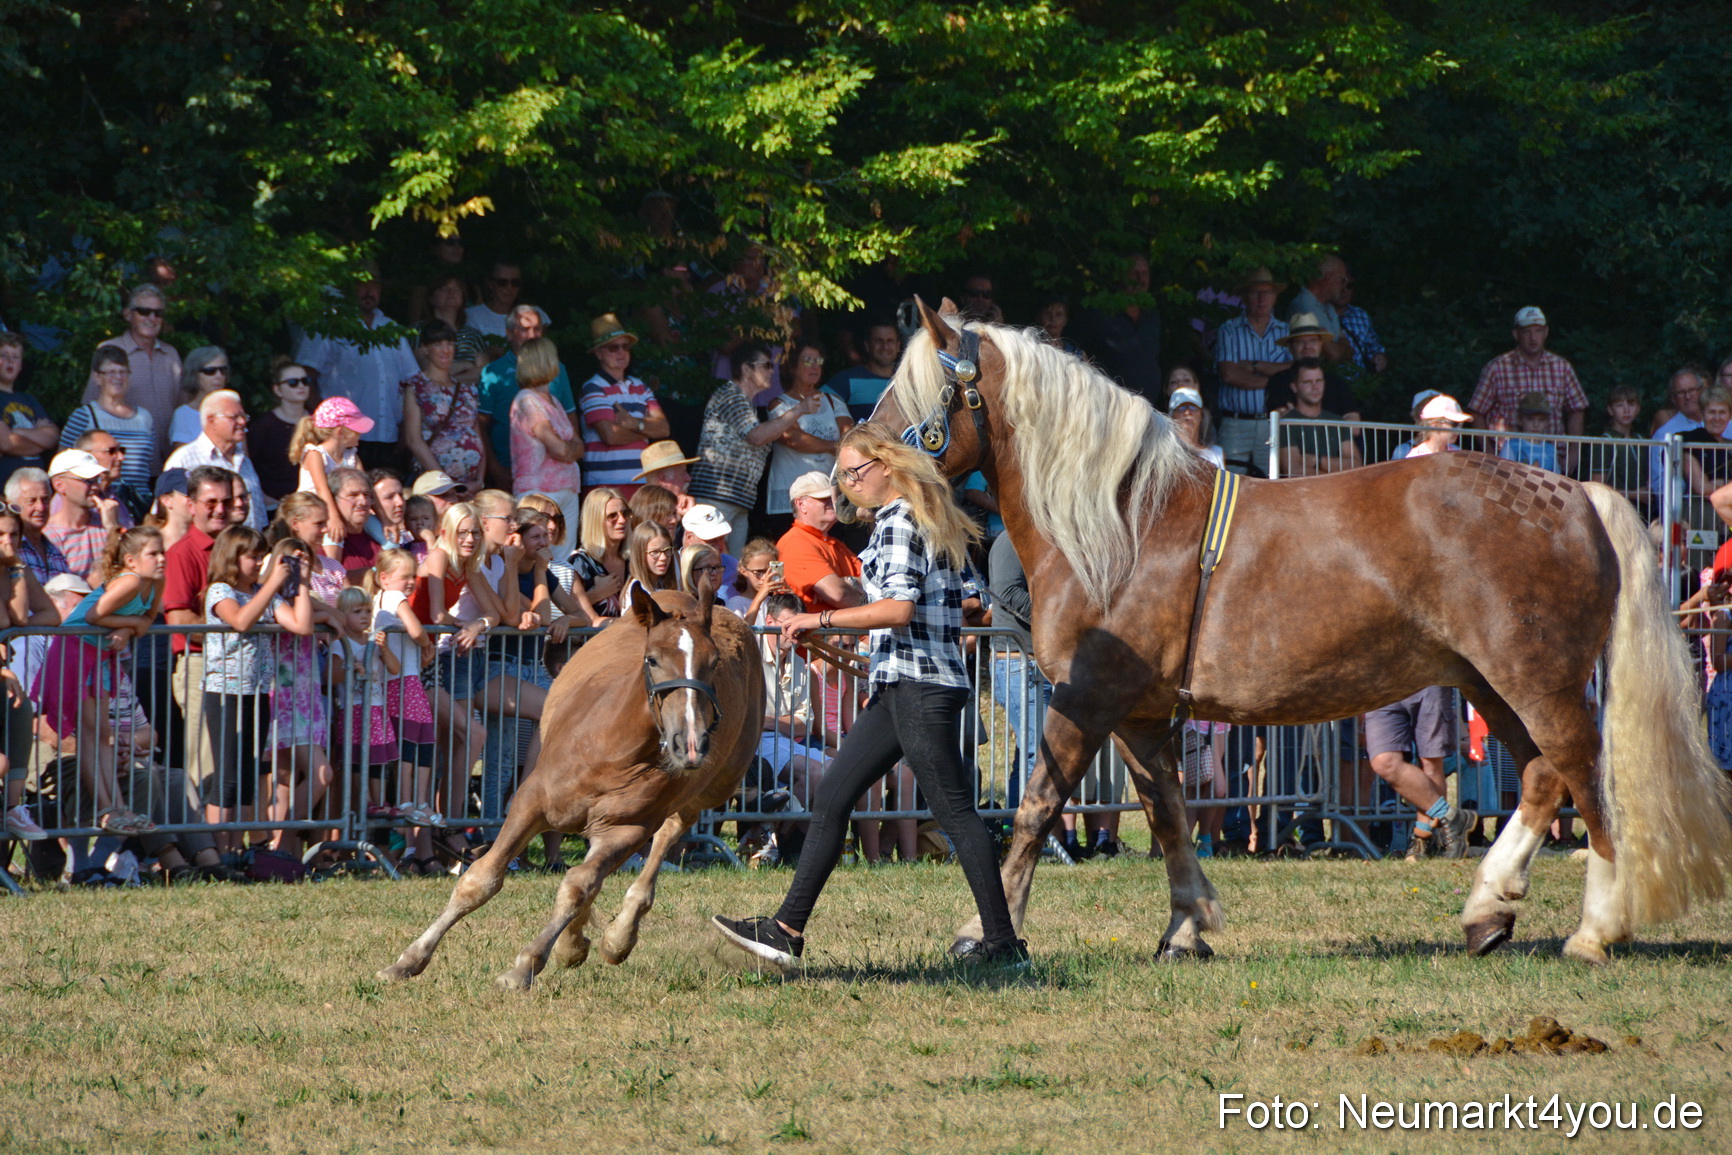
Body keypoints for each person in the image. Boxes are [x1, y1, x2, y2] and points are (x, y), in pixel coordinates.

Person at [712, 422, 1026, 967]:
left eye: (855, 472)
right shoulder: (914, 519)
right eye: (843, 476)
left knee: (954, 813)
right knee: (833, 796)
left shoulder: (903, 520)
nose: (849, 485)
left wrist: (824, 617)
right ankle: (786, 930)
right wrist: (849, 615)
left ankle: (1002, 944)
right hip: (901, 682)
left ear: (888, 466)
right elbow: (912, 600)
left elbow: (899, 609)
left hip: (919, 683)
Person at [32, 526, 165, 837]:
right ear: (131, 561)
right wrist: (130, 623)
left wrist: (129, 629)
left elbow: (147, 622)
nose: (161, 559)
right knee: (92, 734)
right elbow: (94, 615)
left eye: (163, 553)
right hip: (77, 649)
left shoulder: (156, 581)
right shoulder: (130, 580)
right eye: (153, 554)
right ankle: (108, 809)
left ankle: (118, 807)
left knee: (103, 732)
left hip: (101, 653)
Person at [203, 526, 311, 860]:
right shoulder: (221, 590)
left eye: (261, 555)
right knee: (227, 775)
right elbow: (240, 621)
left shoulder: (265, 592)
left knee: (248, 773)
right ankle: (218, 852)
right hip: (224, 692)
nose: (259, 561)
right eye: (252, 556)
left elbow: (301, 625)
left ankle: (238, 849)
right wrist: (274, 584)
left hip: (257, 693)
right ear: (232, 557)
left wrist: (302, 582)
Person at [689, 342, 817, 556]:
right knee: (708, 561)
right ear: (746, 369)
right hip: (716, 497)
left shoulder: (744, 403)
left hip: (737, 500)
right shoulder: (730, 395)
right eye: (766, 365)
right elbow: (757, 436)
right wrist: (799, 410)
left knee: (730, 567)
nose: (771, 371)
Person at [293, 269, 420, 470]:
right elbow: (304, 376)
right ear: (348, 289)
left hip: (389, 435)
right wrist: (325, 424)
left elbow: (411, 382)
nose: (369, 291)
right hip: (345, 436)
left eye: (374, 285)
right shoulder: (329, 326)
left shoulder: (392, 329)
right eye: (362, 285)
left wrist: (407, 428)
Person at [369, 547, 443, 874]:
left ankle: (416, 806)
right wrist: (427, 642)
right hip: (402, 686)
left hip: (405, 682)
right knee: (414, 747)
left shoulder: (385, 603)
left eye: (414, 575)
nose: (412, 582)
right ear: (384, 579)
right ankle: (412, 801)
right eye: (405, 576)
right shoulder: (391, 598)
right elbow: (416, 631)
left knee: (419, 745)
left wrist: (422, 650)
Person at [1469, 306, 1588, 472]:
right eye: (1527, 332)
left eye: (1538, 331)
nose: (1533, 338)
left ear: (1546, 332)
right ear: (1516, 334)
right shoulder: (1497, 368)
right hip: (1507, 462)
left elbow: (1577, 409)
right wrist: (1488, 454)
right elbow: (1477, 411)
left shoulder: (1562, 367)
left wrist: (1574, 451)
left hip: (1552, 460)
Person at [1363, 688, 1478, 858]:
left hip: (1426, 680)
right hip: (1382, 684)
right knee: (1384, 762)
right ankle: (1452, 817)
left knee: (1431, 764)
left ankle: (1423, 839)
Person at [476, 305, 573, 488]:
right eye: (524, 329)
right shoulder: (493, 372)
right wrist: (495, 468)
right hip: (508, 470)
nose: (532, 335)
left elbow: (571, 417)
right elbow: (481, 424)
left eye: (537, 329)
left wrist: (574, 454)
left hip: (557, 474)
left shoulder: (558, 369)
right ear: (509, 333)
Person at [84, 283, 182, 458]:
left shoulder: (171, 355)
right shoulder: (110, 350)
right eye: (144, 311)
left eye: (158, 313)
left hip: (168, 458)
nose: (151, 318)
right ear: (128, 314)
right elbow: (90, 406)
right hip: (125, 460)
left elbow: (181, 406)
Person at [765, 343, 853, 537]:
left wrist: (839, 446)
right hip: (790, 498)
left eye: (818, 361)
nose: (815, 366)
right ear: (792, 366)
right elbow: (795, 439)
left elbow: (850, 436)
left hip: (829, 496)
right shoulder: (780, 404)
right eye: (808, 360)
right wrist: (835, 447)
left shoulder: (833, 401)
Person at [579, 313, 668, 496]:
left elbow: (664, 429)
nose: (621, 352)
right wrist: (646, 430)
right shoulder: (593, 388)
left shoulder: (640, 386)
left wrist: (635, 424)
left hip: (642, 483)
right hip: (605, 487)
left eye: (626, 346)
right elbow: (611, 436)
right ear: (599, 353)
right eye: (613, 347)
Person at [1213, 267, 1290, 469]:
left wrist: (1255, 367)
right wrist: (1275, 381)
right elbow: (1229, 374)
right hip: (1235, 423)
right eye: (1255, 292)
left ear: (1275, 297)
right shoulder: (1229, 330)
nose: (1261, 298)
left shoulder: (1286, 331)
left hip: (1271, 424)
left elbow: (1293, 372)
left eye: (1267, 292)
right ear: (1245, 297)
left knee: (1271, 485)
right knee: (1230, 483)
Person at [508, 336, 584, 535]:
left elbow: (578, 445)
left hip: (565, 489)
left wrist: (569, 450)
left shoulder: (554, 401)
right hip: (539, 492)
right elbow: (559, 448)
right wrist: (570, 450)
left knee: (563, 559)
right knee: (541, 554)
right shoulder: (526, 400)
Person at [162, 390, 267, 530]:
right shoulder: (184, 460)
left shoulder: (244, 461)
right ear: (211, 420)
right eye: (234, 417)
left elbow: (258, 516)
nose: (242, 422)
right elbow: (169, 518)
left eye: (243, 416)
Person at [404, 319, 485, 491]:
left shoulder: (467, 389)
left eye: (450, 344)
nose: (446, 350)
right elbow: (413, 440)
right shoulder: (416, 387)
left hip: (470, 485)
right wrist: (446, 483)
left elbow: (477, 435)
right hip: (436, 485)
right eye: (438, 344)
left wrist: (480, 480)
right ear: (425, 349)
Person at [62, 347, 158, 486]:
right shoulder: (84, 416)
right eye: (111, 372)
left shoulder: (145, 418)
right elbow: (64, 463)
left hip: (139, 502)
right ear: (97, 377)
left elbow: (147, 466)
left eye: (122, 372)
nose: (118, 377)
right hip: (100, 498)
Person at [1076, 252, 1162, 403]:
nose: (1140, 279)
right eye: (1135, 274)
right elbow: (1080, 354)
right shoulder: (1101, 313)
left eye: (1144, 274)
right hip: (1112, 406)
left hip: (1149, 407)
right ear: (1122, 277)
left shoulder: (1152, 315)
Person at [777, 471, 864, 613]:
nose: (833, 501)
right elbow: (839, 595)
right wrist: (875, 608)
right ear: (801, 504)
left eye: (834, 496)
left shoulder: (835, 544)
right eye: (824, 497)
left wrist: (847, 582)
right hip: (814, 634)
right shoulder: (795, 543)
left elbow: (874, 583)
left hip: (842, 632)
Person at [1261, 314, 1362, 421]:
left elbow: (1354, 425)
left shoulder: (1338, 383)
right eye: (1300, 342)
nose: (1307, 347)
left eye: (1312, 341)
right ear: (1290, 348)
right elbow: (1278, 420)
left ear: (1320, 345)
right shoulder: (1278, 382)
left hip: (1334, 438)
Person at [292, 396, 369, 535]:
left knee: (385, 538)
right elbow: (322, 489)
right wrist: (334, 518)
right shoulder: (315, 454)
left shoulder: (351, 456)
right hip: (313, 511)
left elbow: (366, 486)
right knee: (334, 538)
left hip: (342, 509)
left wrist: (383, 517)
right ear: (340, 432)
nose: (361, 434)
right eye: (356, 430)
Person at [1274, 360, 1362, 476]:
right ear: (1294, 387)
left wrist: (1317, 461)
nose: (1315, 387)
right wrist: (1334, 472)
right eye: (1307, 382)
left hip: (1336, 489)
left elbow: (1356, 464)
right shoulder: (1287, 423)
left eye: (1319, 381)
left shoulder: (1336, 421)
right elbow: (1293, 470)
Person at [44, 449, 120, 580]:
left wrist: (112, 528)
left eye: (96, 479)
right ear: (60, 485)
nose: (95, 486)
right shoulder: (50, 536)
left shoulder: (105, 523)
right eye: (87, 480)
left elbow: (130, 566)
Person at [248, 360, 316, 503]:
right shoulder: (263, 427)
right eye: (293, 382)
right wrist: (266, 499)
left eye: (305, 381)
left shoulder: (318, 421)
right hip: (273, 503)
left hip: (312, 501)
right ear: (278, 390)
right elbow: (250, 467)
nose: (301, 386)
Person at [0, 331, 58, 487]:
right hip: (6, 489)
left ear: (21, 365)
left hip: (38, 489)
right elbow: (6, 443)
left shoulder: (29, 399)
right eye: (4, 355)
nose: (10, 361)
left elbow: (52, 436)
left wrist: (17, 432)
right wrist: (39, 445)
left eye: (15, 357)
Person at [567, 487, 629, 623]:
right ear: (595, 520)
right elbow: (566, 612)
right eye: (613, 516)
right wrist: (597, 594)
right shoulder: (578, 563)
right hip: (593, 642)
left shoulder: (634, 560)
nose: (622, 520)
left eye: (625, 513)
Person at [415, 272, 488, 384]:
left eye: (456, 290)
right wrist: (467, 365)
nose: (451, 293)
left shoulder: (473, 335)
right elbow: (426, 367)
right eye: (444, 289)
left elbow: (484, 373)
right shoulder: (418, 330)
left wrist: (446, 381)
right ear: (431, 298)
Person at [826, 321, 904, 422]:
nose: (885, 347)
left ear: (898, 346)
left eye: (890, 341)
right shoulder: (848, 380)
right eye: (878, 341)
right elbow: (815, 403)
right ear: (867, 345)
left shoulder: (907, 382)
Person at [1285, 254, 1354, 360]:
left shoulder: (1329, 307)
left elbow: (1350, 355)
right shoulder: (1304, 306)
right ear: (1329, 277)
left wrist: (1340, 346)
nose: (1344, 286)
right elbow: (1333, 355)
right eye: (1342, 280)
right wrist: (1343, 342)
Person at [167, 347, 234, 452]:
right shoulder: (183, 415)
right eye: (210, 371)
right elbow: (182, 462)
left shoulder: (234, 412)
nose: (219, 376)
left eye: (223, 370)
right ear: (194, 374)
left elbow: (245, 460)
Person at [1681, 387, 1732, 527]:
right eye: (1711, 412)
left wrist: (1718, 484)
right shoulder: (1691, 440)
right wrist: (1728, 484)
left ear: (1730, 415)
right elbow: (1702, 488)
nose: (1717, 418)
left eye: (1722, 412)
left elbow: (1710, 487)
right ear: (1702, 413)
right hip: (1700, 515)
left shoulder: (1730, 445)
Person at [465, 259, 548, 344]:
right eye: (502, 282)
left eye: (515, 282)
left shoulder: (535, 314)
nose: (509, 287)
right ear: (491, 284)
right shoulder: (471, 315)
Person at [324, 467, 382, 581]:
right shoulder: (323, 542)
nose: (363, 501)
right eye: (353, 495)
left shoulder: (380, 537)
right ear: (333, 499)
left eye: (366, 495)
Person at [727, 537, 790, 623]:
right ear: (743, 571)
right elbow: (742, 634)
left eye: (771, 571)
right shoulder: (736, 603)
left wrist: (790, 598)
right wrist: (759, 598)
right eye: (759, 572)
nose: (765, 577)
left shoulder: (772, 602)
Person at [1499, 391, 1562, 474]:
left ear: (1547, 422)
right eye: (1530, 419)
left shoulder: (1550, 449)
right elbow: (1502, 473)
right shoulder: (1512, 446)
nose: (1536, 425)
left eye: (1541, 420)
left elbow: (1557, 477)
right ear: (1520, 419)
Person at [1168, 385, 1222, 467]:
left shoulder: (1216, 453)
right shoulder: (1165, 453)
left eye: (1193, 407)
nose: (1187, 412)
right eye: (1181, 408)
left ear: (1202, 415)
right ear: (1172, 416)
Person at [1404, 394, 1471, 457]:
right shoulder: (1416, 457)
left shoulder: (1458, 454)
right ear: (1435, 425)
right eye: (1454, 424)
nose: (1458, 430)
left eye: (1460, 424)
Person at [626, 520, 678, 592]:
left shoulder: (663, 583)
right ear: (640, 554)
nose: (663, 558)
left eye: (667, 550)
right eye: (655, 552)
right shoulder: (636, 590)